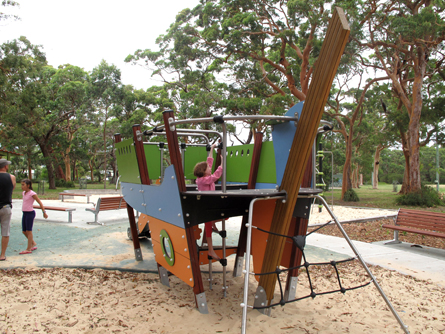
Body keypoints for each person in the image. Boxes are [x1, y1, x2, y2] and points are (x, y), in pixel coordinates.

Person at [193, 143, 223, 260]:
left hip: (210, 204)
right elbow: (215, 177)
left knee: (209, 227)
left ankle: (211, 251)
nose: (210, 168)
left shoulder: (205, 176)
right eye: (208, 168)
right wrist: (222, 164)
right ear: (203, 171)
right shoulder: (202, 180)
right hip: (207, 206)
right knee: (219, 219)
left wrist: (212, 149)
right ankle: (213, 223)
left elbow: (209, 161)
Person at [19, 179, 48, 255]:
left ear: (28, 185)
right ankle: (33, 243)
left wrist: (44, 212)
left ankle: (28, 248)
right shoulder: (24, 193)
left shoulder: (32, 193)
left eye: (23, 185)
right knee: (24, 231)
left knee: (29, 231)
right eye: (21, 185)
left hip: (30, 213)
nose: (21, 186)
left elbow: (40, 202)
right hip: (24, 213)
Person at [0, 158, 16, 261]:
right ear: (6, 166)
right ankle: (2, 255)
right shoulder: (12, 177)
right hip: (6, 207)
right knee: (5, 232)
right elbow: (12, 190)